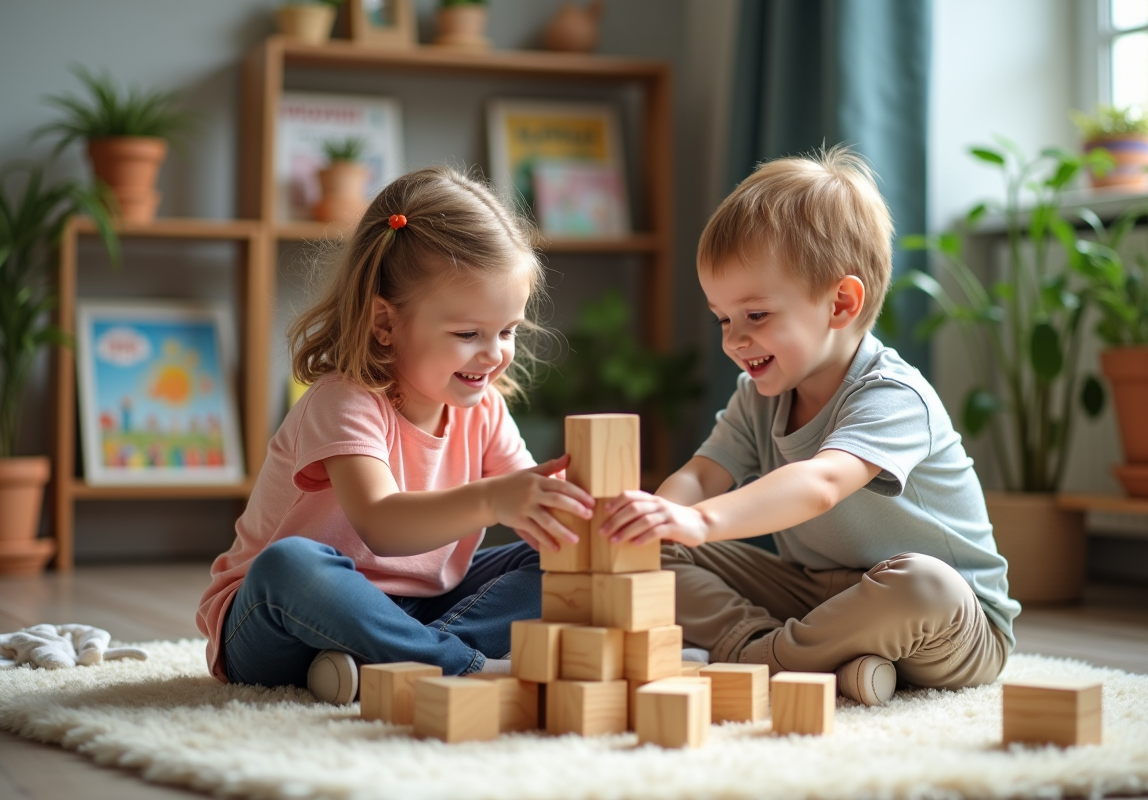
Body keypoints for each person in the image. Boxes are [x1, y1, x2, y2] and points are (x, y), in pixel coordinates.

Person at [599, 146, 1020, 706]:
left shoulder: (893, 395)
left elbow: (820, 483)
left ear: (840, 304)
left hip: (953, 622)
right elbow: (701, 475)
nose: (734, 340)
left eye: (755, 315)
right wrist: (660, 517)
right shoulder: (758, 396)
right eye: (722, 319)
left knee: (926, 585)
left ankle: (761, 660)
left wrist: (700, 521)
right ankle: (814, 657)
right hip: (817, 596)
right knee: (652, 552)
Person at [196, 166, 593, 704]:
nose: (494, 353)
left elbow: (538, 508)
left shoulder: (486, 409)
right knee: (290, 565)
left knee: (561, 560)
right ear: (385, 323)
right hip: (280, 620)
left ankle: (394, 660)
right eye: (467, 333)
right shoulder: (344, 399)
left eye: (507, 331)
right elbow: (381, 525)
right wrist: (495, 500)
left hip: (418, 608)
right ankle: (462, 666)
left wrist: (590, 515)